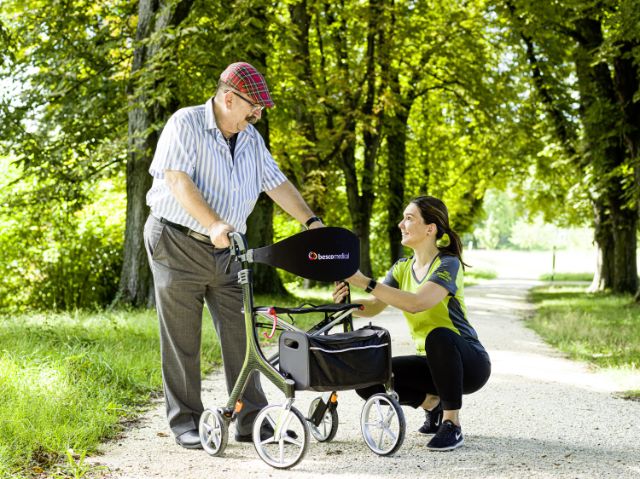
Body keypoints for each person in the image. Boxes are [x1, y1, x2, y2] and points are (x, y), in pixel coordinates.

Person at [144, 62, 324, 449]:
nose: (257, 115)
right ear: (229, 98)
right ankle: (186, 421)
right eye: (253, 108)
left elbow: (277, 183)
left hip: (228, 251)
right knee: (182, 337)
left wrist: (312, 223)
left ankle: (250, 420)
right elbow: (177, 179)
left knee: (241, 334)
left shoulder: (251, 138)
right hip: (176, 241)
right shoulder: (185, 124)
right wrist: (212, 224)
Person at [333, 196, 490, 451]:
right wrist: (348, 305)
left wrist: (365, 281)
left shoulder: (447, 264)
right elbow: (375, 305)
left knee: (439, 336)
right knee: (368, 377)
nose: (401, 224)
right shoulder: (401, 268)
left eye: (409, 218)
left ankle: (452, 424)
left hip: (469, 365)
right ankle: (431, 404)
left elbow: (418, 302)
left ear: (430, 228)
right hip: (430, 364)